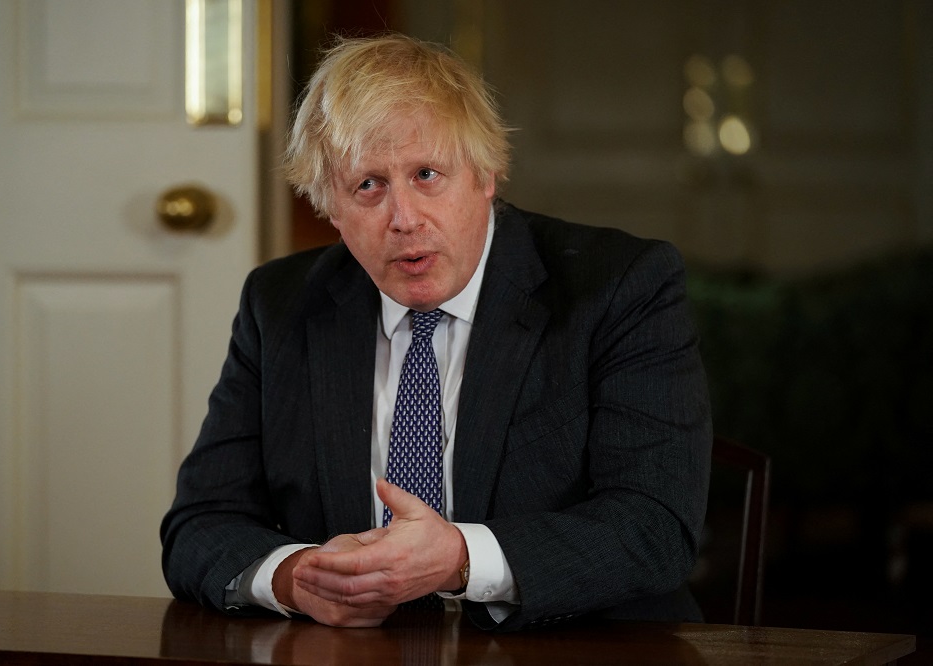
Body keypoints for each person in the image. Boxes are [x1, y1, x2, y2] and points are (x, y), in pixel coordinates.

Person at [160, 33, 712, 632]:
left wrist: (458, 558)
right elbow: (199, 524)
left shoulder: (619, 286)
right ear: (331, 208)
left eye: (426, 174)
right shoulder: (281, 304)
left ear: (486, 174)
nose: (403, 219)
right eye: (368, 185)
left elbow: (655, 527)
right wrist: (298, 578)